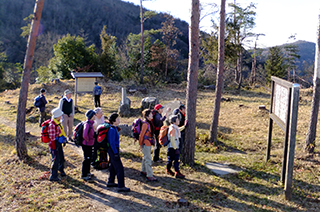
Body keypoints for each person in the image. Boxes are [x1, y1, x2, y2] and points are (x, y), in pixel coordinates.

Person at [107, 113, 130, 192]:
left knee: (113, 166)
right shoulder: (112, 130)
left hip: (113, 149)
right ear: (113, 121)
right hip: (113, 150)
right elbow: (112, 142)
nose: (119, 120)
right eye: (117, 119)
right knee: (120, 168)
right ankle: (121, 186)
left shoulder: (114, 128)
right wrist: (115, 153)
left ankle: (111, 181)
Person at [48, 108, 67, 181]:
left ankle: (61, 170)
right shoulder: (52, 125)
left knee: (61, 158)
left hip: (58, 144)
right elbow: (52, 137)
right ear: (58, 115)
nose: (62, 115)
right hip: (54, 145)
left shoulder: (58, 122)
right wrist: (58, 138)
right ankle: (53, 176)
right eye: (60, 115)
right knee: (56, 160)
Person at [139, 109, 158, 182]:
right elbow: (141, 135)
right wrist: (140, 144)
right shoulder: (145, 124)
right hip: (145, 143)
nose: (152, 115)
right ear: (147, 116)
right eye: (150, 114)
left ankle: (143, 171)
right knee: (148, 159)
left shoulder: (148, 123)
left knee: (145, 157)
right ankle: (149, 175)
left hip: (147, 143)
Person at [81, 110, 96, 182]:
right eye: (94, 115)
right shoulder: (87, 124)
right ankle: (84, 175)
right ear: (91, 116)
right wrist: (88, 140)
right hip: (87, 145)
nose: (95, 116)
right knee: (86, 159)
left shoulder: (91, 123)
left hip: (90, 144)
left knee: (89, 158)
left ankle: (87, 172)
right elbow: (85, 135)